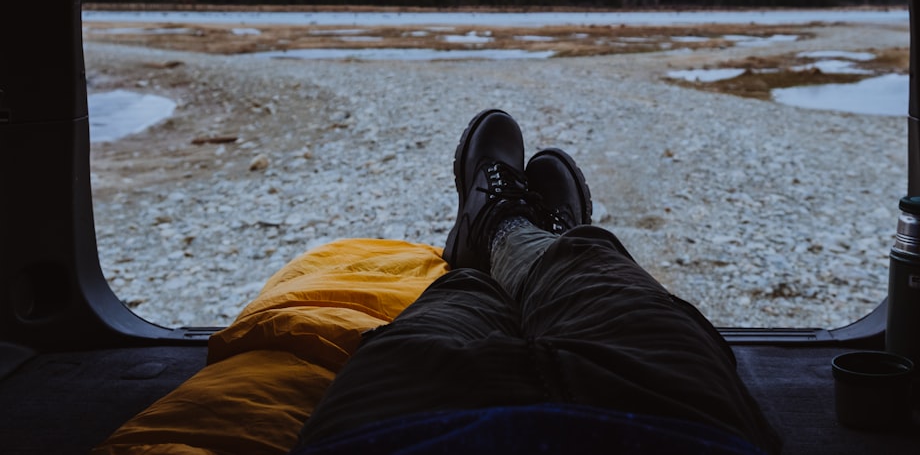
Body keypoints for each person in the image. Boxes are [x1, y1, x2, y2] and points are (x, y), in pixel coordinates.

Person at [291, 109, 782, 454]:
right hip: (672, 427)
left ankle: (492, 236)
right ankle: (531, 239)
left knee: (458, 296)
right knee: (591, 266)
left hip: (395, 430)